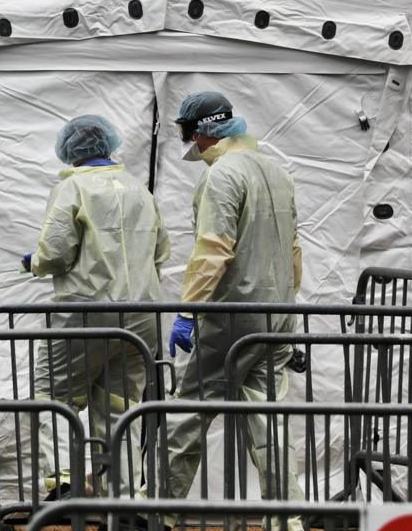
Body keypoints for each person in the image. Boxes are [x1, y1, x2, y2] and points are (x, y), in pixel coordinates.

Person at [165, 91, 305, 529]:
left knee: (187, 411)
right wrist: (289, 309)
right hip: (276, 312)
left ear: (202, 132)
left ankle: (156, 512)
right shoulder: (278, 172)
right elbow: (294, 250)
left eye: (191, 136)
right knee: (269, 423)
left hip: (231, 315)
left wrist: (190, 309)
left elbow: (212, 250)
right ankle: (289, 520)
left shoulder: (222, 174)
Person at [22, 115, 170, 500]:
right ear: (108, 144)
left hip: (85, 313)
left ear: (70, 149)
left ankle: (62, 482)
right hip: (141, 316)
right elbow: (161, 251)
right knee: (121, 407)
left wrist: (34, 262)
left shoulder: (74, 189)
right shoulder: (141, 190)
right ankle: (120, 499)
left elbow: (54, 252)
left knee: (54, 395)